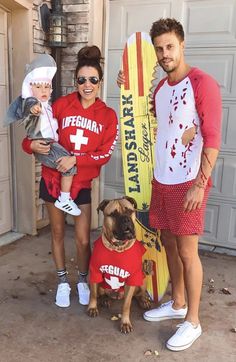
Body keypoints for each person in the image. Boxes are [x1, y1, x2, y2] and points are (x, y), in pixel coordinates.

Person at [117, 18, 222, 351]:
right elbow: (144, 115)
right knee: (169, 244)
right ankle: (177, 302)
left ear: (182, 44)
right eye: (159, 48)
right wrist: (127, 83)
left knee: (189, 253)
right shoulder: (161, 90)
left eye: (170, 46)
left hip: (189, 182)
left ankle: (192, 320)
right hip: (161, 180)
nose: (165, 54)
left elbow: (213, 137)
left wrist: (198, 184)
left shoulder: (202, 83)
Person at [22, 46, 119, 308]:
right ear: (75, 81)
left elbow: (105, 154)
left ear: (100, 82)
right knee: (55, 232)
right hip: (53, 180)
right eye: (81, 80)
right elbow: (35, 133)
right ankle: (63, 281)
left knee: (83, 238)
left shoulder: (108, 115)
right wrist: (29, 146)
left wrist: (77, 159)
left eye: (93, 80)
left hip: (81, 185)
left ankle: (83, 280)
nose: (87, 85)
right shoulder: (61, 105)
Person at [6, 54, 81, 217]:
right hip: (45, 144)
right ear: (30, 89)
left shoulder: (49, 106)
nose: (43, 90)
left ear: (51, 89)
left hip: (50, 143)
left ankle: (64, 197)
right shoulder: (33, 103)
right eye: (39, 87)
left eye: (46, 87)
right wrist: (33, 108)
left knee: (69, 163)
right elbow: (30, 107)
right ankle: (65, 198)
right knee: (70, 166)